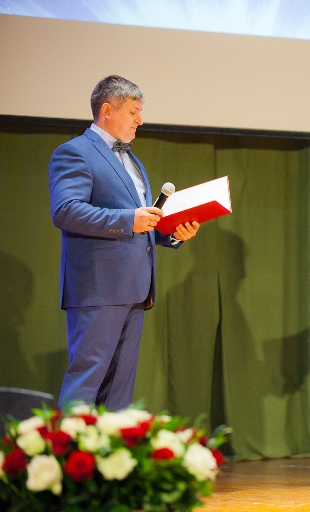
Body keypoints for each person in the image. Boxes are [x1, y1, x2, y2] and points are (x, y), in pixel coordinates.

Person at [49, 75, 200, 410]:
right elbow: (66, 211)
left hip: (135, 287)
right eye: (134, 111)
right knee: (86, 380)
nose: (140, 120)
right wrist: (128, 219)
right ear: (107, 110)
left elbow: (142, 222)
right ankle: (67, 445)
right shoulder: (74, 152)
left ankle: (112, 445)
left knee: (119, 388)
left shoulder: (133, 161)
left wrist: (173, 233)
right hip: (98, 288)